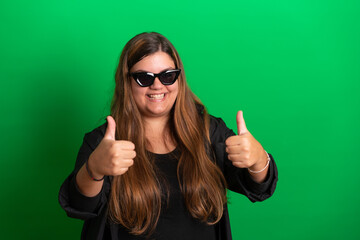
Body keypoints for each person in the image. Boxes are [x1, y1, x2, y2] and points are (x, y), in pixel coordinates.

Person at [58, 32, 278, 240]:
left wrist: (259, 159)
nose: (157, 85)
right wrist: (93, 170)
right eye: (144, 78)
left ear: (179, 79)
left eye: (168, 76)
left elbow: (259, 186)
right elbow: (80, 206)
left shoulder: (209, 131)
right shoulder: (104, 142)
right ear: (127, 82)